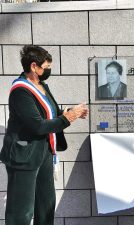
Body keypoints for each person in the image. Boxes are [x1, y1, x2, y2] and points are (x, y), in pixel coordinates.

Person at [0, 45, 88, 225]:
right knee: (21, 212)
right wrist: (68, 118)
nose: (49, 70)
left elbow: (52, 113)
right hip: (24, 156)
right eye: (46, 67)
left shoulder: (41, 85)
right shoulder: (20, 91)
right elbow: (38, 125)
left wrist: (71, 112)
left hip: (44, 153)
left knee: (46, 205)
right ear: (34, 66)